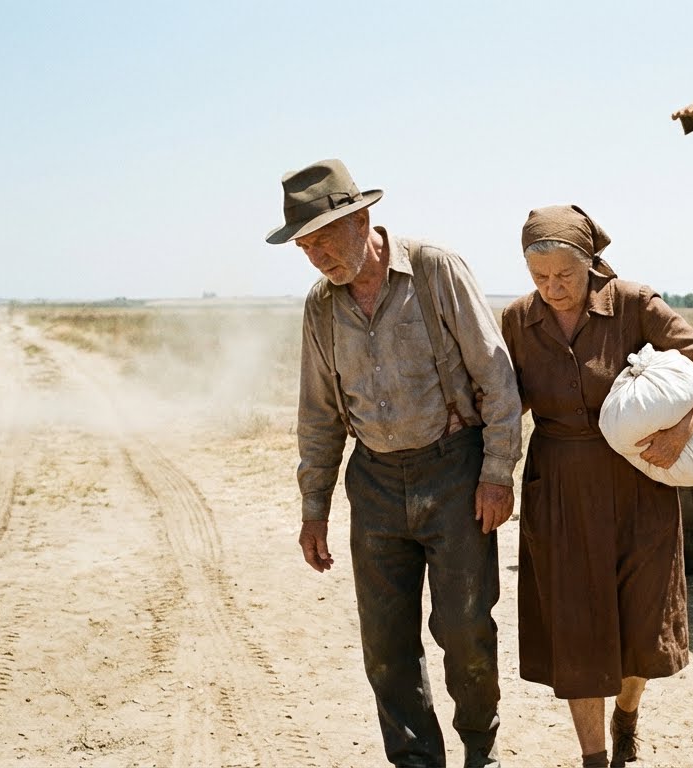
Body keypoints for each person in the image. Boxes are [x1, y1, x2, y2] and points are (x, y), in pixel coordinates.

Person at [265, 158, 522, 767]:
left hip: (454, 471)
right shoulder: (320, 307)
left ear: (362, 220)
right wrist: (314, 509)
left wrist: (496, 473)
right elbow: (319, 416)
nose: (317, 257)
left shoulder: (434, 269)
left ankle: (480, 747)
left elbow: (496, 377)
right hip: (375, 481)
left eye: (324, 239)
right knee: (384, 643)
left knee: (464, 630)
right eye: (305, 247)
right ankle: (415, 760)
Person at [500, 205, 693, 768]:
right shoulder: (517, 320)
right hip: (559, 488)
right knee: (575, 622)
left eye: (565, 275)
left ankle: (626, 713)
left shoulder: (634, 303)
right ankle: (595, 758)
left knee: (640, 619)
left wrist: (681, 429)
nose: (552, 288)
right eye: (539, 277)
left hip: (638, 482)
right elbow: (507, 401)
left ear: (591, 264)